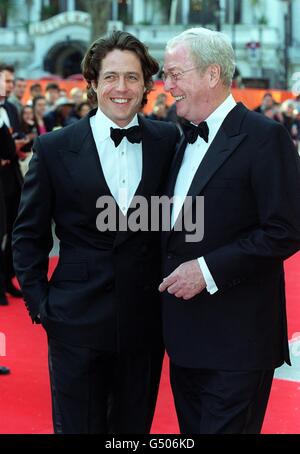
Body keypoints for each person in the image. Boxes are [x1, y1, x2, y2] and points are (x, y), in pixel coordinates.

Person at [13, 31, 179, 434]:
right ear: (92, 83)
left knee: (132, 430)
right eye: (110, 77)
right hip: (74, 319)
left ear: (145, 85)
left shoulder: (168, 141)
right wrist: (42, 306)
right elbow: (28, 235)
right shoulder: (54, 147)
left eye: (132, 77)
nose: (121, 88)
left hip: (145, 322)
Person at [159, 27, 300, 434]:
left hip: (238, 342)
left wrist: (206, 270)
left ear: (212, 74)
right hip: (184, 340)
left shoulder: (264, 137)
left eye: (175, 74)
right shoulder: (180, 141)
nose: (167, 86)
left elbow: (285, 229)